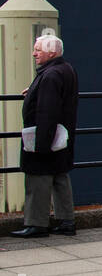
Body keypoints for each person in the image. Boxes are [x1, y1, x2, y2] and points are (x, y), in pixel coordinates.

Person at [12, 35, 78, 238]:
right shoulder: (66, 70)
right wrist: (33, 91)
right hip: (61, 136)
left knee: (38, 180)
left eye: (38, 50)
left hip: (45, 136)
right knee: (60, 176)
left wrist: (40, 144)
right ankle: (66, 221)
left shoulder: (50, 76)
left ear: (52, 53)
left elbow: (46, 111)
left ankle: (36, 224)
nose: (34, 53)